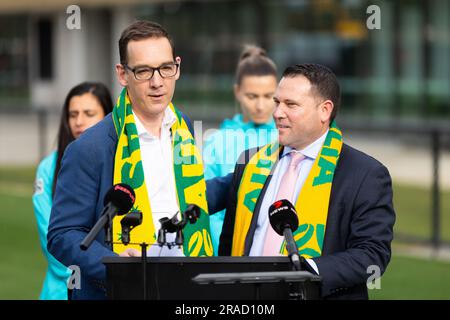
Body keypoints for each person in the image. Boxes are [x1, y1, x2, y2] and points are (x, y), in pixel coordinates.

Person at [47, 20, 229, 300]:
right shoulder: (89, 148)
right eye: (144, 71)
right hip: (120, 290)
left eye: (166, 68)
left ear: (177, 67)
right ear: (122, 74)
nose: (157, 82)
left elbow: (189, 198)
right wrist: (117, 263)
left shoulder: (184, 127)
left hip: (184, 286)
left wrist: (243, 178)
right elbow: (63, 235)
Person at [219, 63, 395, 300]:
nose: (277, 113)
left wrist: (307, 271)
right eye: (277, 102)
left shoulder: (366, 174)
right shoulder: (251, 162)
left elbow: (372, 254)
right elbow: (228, 244)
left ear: (325, 110)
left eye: (291, 104)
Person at [32, 82, 113, 300]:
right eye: (73, 114)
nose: (79, 121)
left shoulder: (121, 162)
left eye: (89, 113)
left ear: (107, 115)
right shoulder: (48, 168)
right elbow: (52, 237)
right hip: (61, 289)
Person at [203, 45, 278, 254]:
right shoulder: (217, 142)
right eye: (252, 96)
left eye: (268, 95)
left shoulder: (288, 137)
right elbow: (208, 207)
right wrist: (228, 254)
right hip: (229, 251)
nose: (261, 106)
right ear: (237, 92)